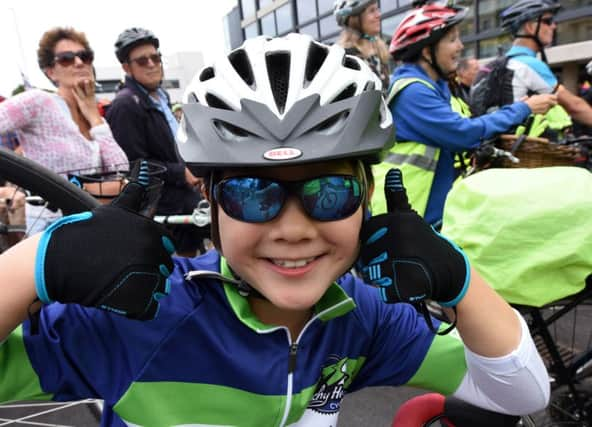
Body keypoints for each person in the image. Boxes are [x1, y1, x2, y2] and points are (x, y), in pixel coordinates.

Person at [1, 34, 550, 426]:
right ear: (210, 200)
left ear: (370, 198)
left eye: (329, 192)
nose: (292, 229)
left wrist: (457, 278)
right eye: (251, 194)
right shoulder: (142, 318)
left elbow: (521, 392)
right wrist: (38, 261)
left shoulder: (363, 317)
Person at [376, 3, 557, 228]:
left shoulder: (434, 85)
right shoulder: (413, 91)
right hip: (408, 222)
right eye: (452, 39)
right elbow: (464, 133)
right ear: (426, 51)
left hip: (426, 213)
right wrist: (524, 108)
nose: (460, 46)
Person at [0, 27, 128, 233]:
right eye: (66, 58)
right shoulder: (38, 101)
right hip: (49, 228)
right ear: (50, 71)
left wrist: (94, 117)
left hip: (90, 223)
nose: (79, 62)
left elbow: (119, 170)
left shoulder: (95, 116)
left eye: (85, 56)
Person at [106, 27, 204, 257]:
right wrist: (182, 173)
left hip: (185, 197)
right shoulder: (125, 106)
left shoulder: (161, 96)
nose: (151, 64)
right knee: (180, 270)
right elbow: (135, 165)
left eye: (156, 57)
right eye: (142, 60)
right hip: (163, 207)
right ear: (126, 68)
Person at [500, 0, 592, 129]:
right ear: (530, 27)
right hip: (524, 145)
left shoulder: (507, 62)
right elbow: (575, 106)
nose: (553, 26)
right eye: (547, 21)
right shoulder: (529, 64)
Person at [333, 0, 390, 92]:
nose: (378, 15)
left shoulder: (379, 51)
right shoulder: (346, 59)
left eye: (377, 9)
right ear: (355, 19)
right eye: (372, 11)